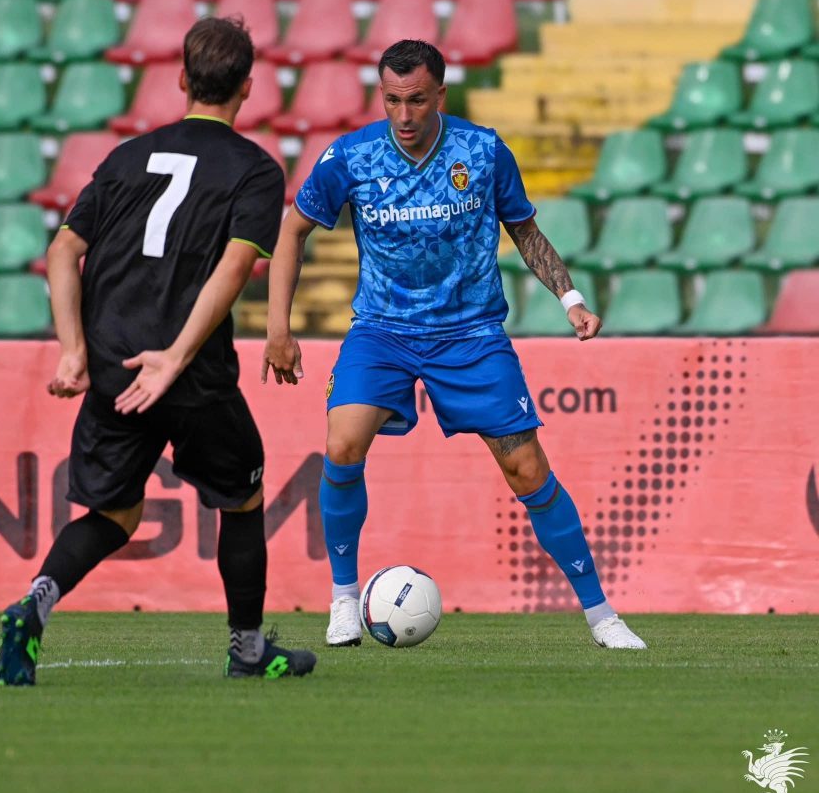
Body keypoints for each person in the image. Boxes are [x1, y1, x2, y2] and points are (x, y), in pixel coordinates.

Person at [262, 39, 646, 651]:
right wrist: (277, 328)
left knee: (526, 468)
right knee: (341, 443)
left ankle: (603, 616)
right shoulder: (351, 157)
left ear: (440, 94)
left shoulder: (484, 151)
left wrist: (570, 298)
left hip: (470, 334)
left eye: (417, 100)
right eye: (392, 101)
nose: (405, 116)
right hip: (382, 331)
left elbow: (523, 229)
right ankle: (341, 601)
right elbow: (294, 229)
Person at [0, 16, 317, 685]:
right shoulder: (255, 169)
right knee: (242, 496)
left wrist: (73, 352)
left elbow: (62, 251)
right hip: (188, 369)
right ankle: (250, 652)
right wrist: (174, 356)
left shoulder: (126, 157)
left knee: (113, 512)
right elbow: (234, 268)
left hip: (115, 361)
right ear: (249, 88)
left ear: (180, 79)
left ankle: (33, 605)